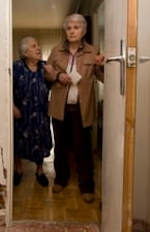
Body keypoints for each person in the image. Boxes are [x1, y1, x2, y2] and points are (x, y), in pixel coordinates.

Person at [44, 13, 106, 203]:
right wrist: (56, 75)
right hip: (59, 108)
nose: (72, 31)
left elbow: (103, 77)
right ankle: (61, 179)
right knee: (60, 147)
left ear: (84, 31)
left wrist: (103, 66)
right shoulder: (55, 51)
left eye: (76, 27)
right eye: (69, 28)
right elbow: (46, 74)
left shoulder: (93, 51)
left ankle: (87, 185)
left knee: (83, 149)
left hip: (82, 109)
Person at [13, 36, 53, 187]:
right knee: (18, 142)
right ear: (24, 52)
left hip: (41, 114)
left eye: (38, 45)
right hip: (21, 114)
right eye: (34, 46)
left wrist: (51, 74)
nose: (38, 48)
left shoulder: (45, 67)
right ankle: (18, 170)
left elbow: (55, 84)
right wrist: (12, 106)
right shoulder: (16, 67)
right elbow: (5, 88)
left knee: (40, 142)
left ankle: (40, 171)